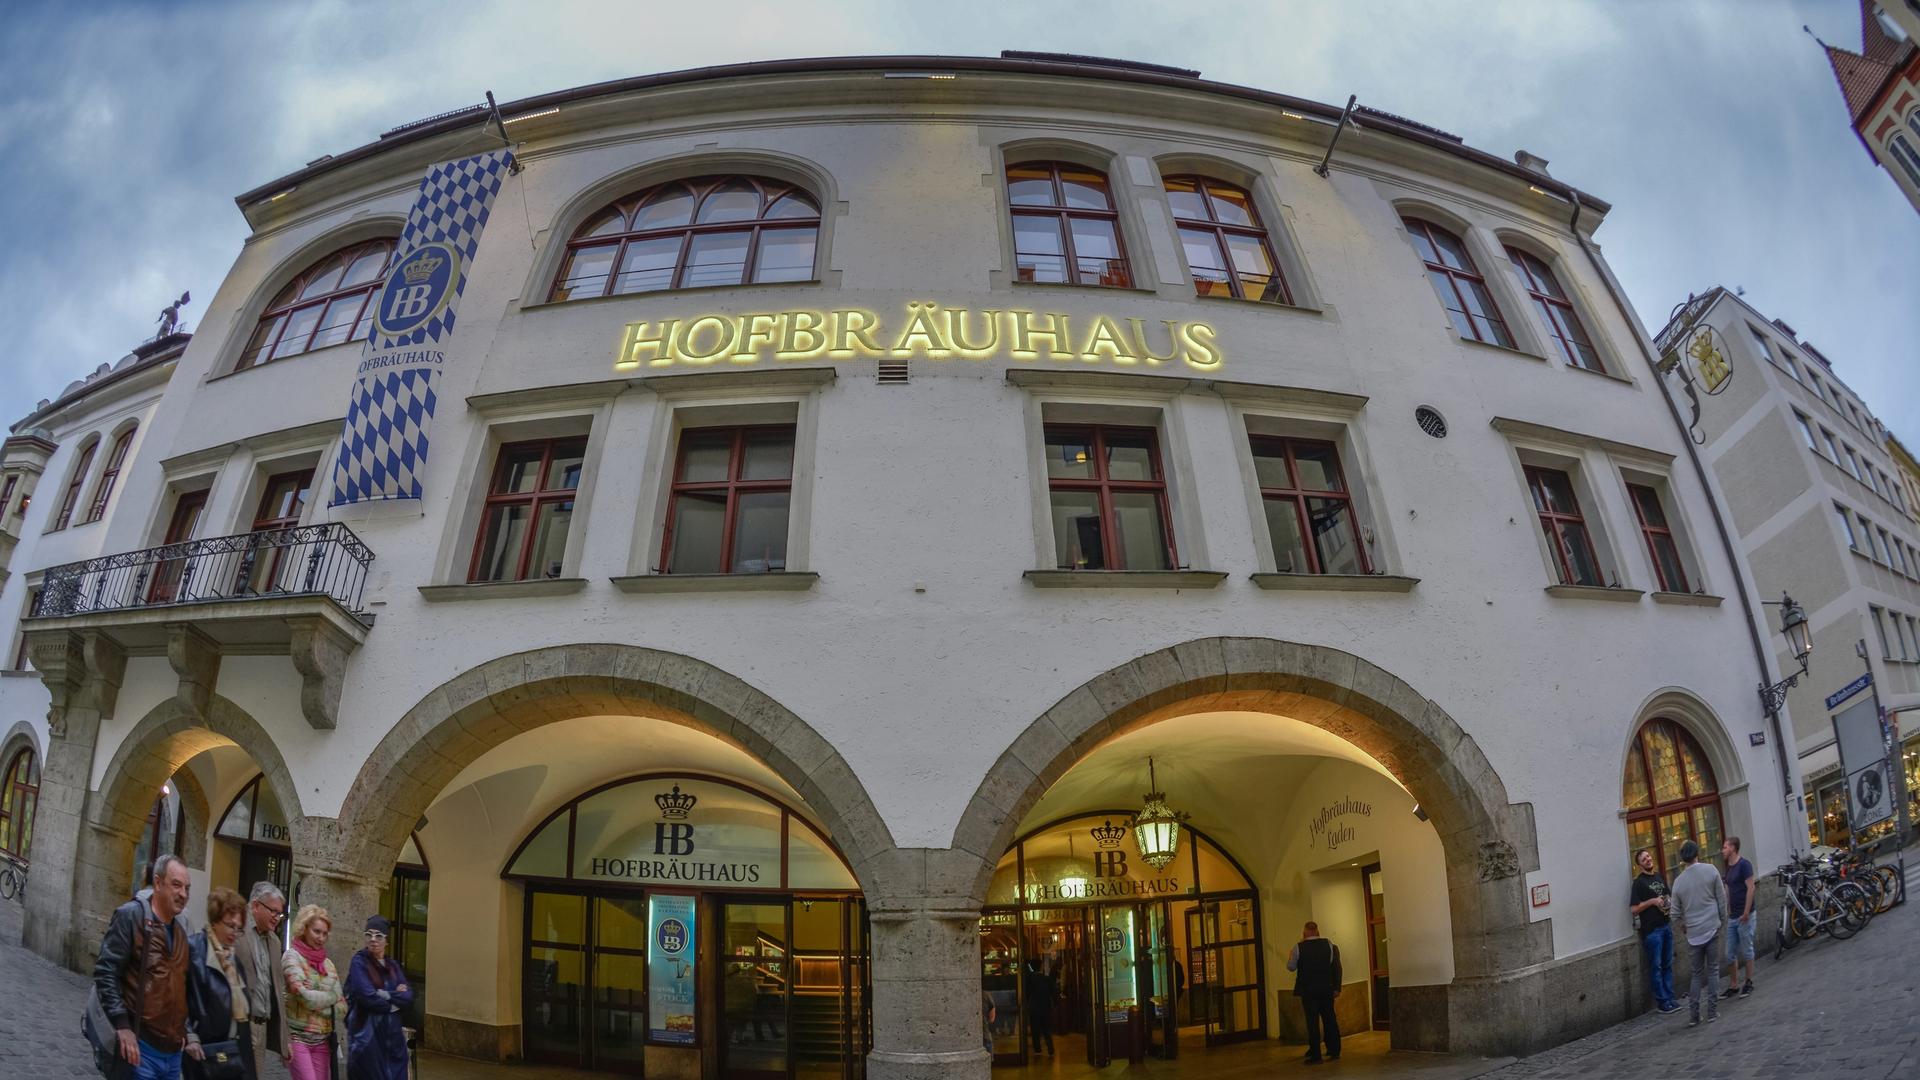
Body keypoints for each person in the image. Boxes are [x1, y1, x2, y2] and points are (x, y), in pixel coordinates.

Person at [94, 854, 194, 1080]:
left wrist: (186, 1031)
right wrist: (122, 1025)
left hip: (172, 1054)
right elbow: (105, 972)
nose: (183, 894)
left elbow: (181, 984)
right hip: (141, 1050)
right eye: (176, 885)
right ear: (157, 883)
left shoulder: (180, 931)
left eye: (187, 888)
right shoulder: (131, 916)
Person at [184, 886, 256, 1080]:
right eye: (230, 925)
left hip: (233, 1047)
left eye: (239, 928)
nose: (234, 932)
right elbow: (178, 998)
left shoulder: (234, 960)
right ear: (215, 921)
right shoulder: (195, 950)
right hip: (204, 1048)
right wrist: (189, 1035)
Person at [344, 915, 414, 1080]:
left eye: (378, 936)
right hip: (367, 1042)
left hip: (393, 1043)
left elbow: (409, 997)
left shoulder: (393, 966)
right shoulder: (359, 963)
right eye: (368, 934)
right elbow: (367, 996)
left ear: (386, 940)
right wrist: (395, 1000)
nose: (373, 939)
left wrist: (386, 994)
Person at [1667, 839, 1727, 1028]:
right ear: (1697, 853)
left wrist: (1684, 927)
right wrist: (1722, 920)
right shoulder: (1711, 870)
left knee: (1696, 974)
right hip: (1711, 926)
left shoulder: (1678, 882)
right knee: (1713, 970)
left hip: (1693, 933)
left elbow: (1674, 913)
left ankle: (1694, 1015)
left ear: (1682, 859)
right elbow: (1721, 899)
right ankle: (1711, 1012)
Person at [283, 905, 344, 1080]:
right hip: (297, 1038)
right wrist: (330, 997)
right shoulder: (291, 957)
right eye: (317, 931)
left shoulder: (328, 964)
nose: (321, 938)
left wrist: (319, 997)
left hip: (322, 1040)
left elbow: (341, 1006)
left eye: (325, 933)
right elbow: (305, 997)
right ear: (304, 928)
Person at [239, 883, 289, 1074]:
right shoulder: (237, 931)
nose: (277, 918)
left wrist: (285, 1038)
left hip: (262, 1028)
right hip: (241, 1025)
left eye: (280, 914)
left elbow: (277, 989)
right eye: (273, 911)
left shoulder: (275, 942)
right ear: (255, 906)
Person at [1628, 849, 1680, 1014]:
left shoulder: (1659, 876)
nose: (1648, 859)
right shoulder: (1638, 883)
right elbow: (1634, 909)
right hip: (1652, 931)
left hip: (1666, 926)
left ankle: (1671, 998)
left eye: (1649, 856)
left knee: (1667, 965)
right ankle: (1662, 1002)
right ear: (1639, 865)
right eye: (1644, 859)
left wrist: (1667, 904)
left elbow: (1667, 897)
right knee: (1656, 967)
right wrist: (1651, 901)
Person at [1286, 921, 1341, 1064]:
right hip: (1326, 988)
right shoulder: (1328, 944)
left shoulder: (1298, 947)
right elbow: (1331, 964)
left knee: (1312, 1022)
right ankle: (1334, 1050)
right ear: (1317, 931)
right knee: (1330, 1019)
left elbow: (1291, 967)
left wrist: (1291, 956)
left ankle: (1316, 1054)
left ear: (1304, 933)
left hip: (1308, 990)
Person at [1719, 836, 1757, 999]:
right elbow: (1728, 888)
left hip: (1745, 915)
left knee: (1747, 949)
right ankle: (1734, 985)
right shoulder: (1729, 867)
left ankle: (1748, 982)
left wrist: (1747, 912)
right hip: (1733, 916)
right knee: (1729, 953)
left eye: (1725, 847)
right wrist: (1726, 909)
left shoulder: (1744, 865)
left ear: (1733, 848)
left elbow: (1751, 888)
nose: (1723, 850)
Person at [1022, 958, 1056, 1057]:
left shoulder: (1029, 979)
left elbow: (1026, 994)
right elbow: (1053, 993)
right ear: (1041, 967)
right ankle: (1051, 1050)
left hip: (1034, 1008)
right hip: (1045, 1007)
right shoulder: (1047, 979)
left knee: (1035, 1030)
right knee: (1046, 1030)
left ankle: (1037, 1050)